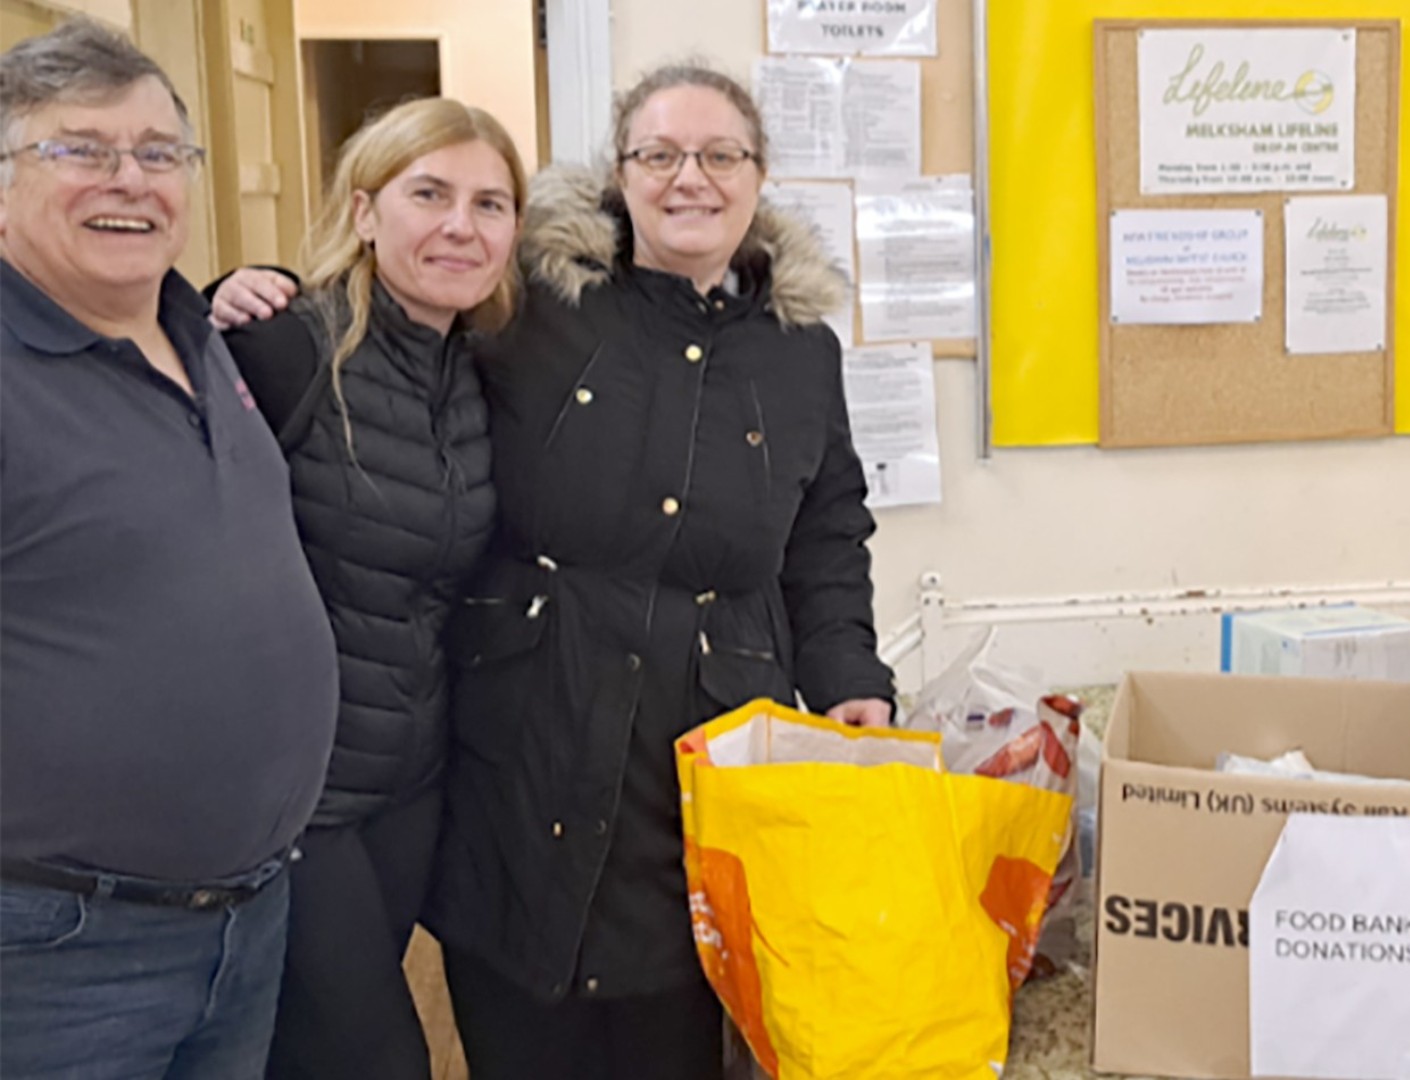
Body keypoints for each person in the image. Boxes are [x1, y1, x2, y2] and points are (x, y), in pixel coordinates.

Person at [422, 63, 896, 1079]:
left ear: (759, 177)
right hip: (527, 732)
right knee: (520, 1017)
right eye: (661, 154)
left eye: (720, 155)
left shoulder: (801, 349)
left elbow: (826, 530)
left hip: (703, 745)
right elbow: (394, 331)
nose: (693, 178)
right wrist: (255, 294)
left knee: (673, 1027)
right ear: (621, 174)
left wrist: (851, 675)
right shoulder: (532, 303)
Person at [0, 19, 338, 1079]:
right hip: (62, 952)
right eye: (80, 150)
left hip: (244, 918)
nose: (129, 179)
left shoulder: (199, 331)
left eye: (158, 153)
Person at [213, 98, 525, 1080]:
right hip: (298, 796)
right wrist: (213, 295)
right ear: (363, 211)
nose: (459, 226)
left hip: (408, 784)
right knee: (379, 1059)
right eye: (427, 194)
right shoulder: (289, 343)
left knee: (309, 1053)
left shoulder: (482, 369)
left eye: (490, 203)